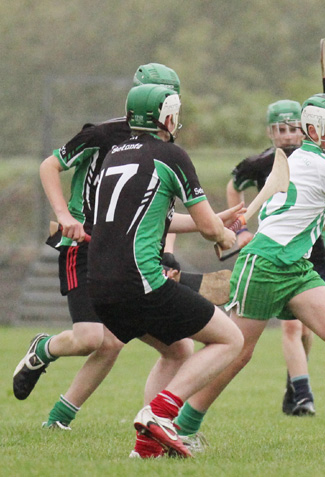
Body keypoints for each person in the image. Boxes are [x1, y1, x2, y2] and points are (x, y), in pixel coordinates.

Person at [175, 93, 325, 452]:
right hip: (267, 262)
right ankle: (180, 427)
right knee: (236, 351)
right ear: (312, 130)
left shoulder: (301, 157)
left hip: (296, 265)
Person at [13, 63, 198, 432]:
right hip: (81, 246)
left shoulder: (164, 149)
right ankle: (44, 348)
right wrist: (65, 214)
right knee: (91, 338)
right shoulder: (101, 135)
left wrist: (169, 251)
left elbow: (162, 214)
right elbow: (50, 166)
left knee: (135, 345)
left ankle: (61, 422)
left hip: (124, 255)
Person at [86, 83, 244, 458]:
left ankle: (147, 446)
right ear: (168, 117)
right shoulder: (170, 154)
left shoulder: (114, 155)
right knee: (230, 340)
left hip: (101, 285)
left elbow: (156, 215)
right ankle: (160, 413)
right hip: (140, 279)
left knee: (177, 350)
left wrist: (217, 222)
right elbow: (210, 232)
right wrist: (226, 235)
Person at [226, 99, 325, 416]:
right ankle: (303, 395)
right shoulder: (261, 163)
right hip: (278, 251)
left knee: (305, 329)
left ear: (304, 130)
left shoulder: (318, 161)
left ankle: (294, 383)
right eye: (280, 130)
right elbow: (234, 186)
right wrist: (241, 228)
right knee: (291, 328)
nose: (287, 136)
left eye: (292, 129)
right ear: (270, 132)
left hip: (315, 250)